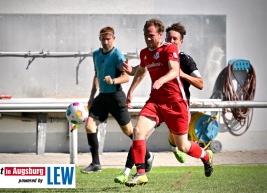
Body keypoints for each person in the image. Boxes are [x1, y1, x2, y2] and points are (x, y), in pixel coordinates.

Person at [123, 18, 213, 187]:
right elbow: (141, 70)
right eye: (145, 35)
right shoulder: (145, 53)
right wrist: (131, 88)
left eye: (150, 35)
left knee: (183, 146)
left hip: (176, 103)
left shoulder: (169, 49)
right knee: (138, 131)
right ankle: (141, 173)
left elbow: (174, 71)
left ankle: (206, 156)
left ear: (159, 34)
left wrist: (162, 80)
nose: (147, 38)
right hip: (156, 101)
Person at [81, 26, 153, 174]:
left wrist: (113, 80)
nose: (106, 41)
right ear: (99, 39)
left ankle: (147, 155)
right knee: (89, 125)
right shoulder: (95, 54)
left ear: (114, 38)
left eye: (108, 39)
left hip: (116, 96)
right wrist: (91, 97)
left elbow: (127, 77)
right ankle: (95, 163)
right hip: (101, 97)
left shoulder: (117, 54)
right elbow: (97, 75)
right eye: (103, 39)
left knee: (129, 131)